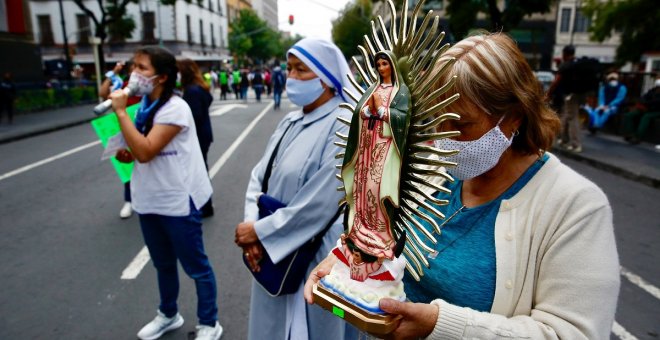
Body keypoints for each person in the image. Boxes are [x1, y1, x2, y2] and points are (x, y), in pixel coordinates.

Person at [305, 32, 620, 340]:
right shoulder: (434, 170)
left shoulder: (576, 206)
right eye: (438, 119)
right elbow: (381, 235)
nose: (444, 138)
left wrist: (439, 325)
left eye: (461, 123)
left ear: (514, 116)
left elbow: (574, 332)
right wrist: (346, 260)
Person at [234, 38, 358, 340]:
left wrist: (262, 233)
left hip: (315, 251)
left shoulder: (344, 124)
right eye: (289, 69)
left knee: (313, 324)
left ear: (326, 79)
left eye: (301, 70)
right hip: (271, 248)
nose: (291, 77)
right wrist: (253, 226)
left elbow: (321, 202)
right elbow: (258, 178)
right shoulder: (289, 121)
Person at [109, 46, 222, 340]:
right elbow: (139, 149)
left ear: (161, 77)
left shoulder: (175, 108)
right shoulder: (145, 105)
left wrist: (120, 111)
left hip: (177, 200)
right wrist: (126, 152)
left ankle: (210, 322)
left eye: (142, 68)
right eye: (134, 66)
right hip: (148, 200)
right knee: (163, 265)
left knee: (197, 267)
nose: (135, 73)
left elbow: (146, 151)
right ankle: (169, 314)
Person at [337, 51, 410, 280]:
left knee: (377, 189)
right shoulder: (373, 89)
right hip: (367, 146)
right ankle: (359, 228)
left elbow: (403, 118)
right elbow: (360, 113)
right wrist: (367, 112)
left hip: (384, 148)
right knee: (362, 187)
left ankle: (379, 233)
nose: (381, 67)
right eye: (378, 64)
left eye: (384, 63)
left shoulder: (400, 92)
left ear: (392, 66)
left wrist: (383, 112)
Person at [98, 61, 142, 219]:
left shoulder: (147, 88)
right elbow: (103, 93)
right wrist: (112, 74)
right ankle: (129, 201)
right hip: (125, 132)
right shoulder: (121, 87)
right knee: (127, 168)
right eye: (135, 67)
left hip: (146, 131)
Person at [178, 59, 215, 217]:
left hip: (198, 136)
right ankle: (206, 205)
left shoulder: (192, 91)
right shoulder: (199, 87)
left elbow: (195, 115)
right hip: (204, 134)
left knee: (198, 171)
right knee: (201, 169)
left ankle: (205, 206)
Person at [547, 45, 598, 153]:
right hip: (582, 94)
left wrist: (548, 94)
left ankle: (575, 144)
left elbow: (556, 81)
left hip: (571, 95)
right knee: (567, 115)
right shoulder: (579, 63)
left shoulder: (566, 65)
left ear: (565, 53)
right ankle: (563, 139)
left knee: (572, 117)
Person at [622, 76, 660, 144]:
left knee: (646, 117)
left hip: (656, 111)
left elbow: (656, 102)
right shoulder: (653, 90)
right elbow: (643, 97)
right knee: (629, 115)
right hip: (646, 108)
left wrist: (646, 103)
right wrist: (643, 102)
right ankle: (630, 134)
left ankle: (637, 137)